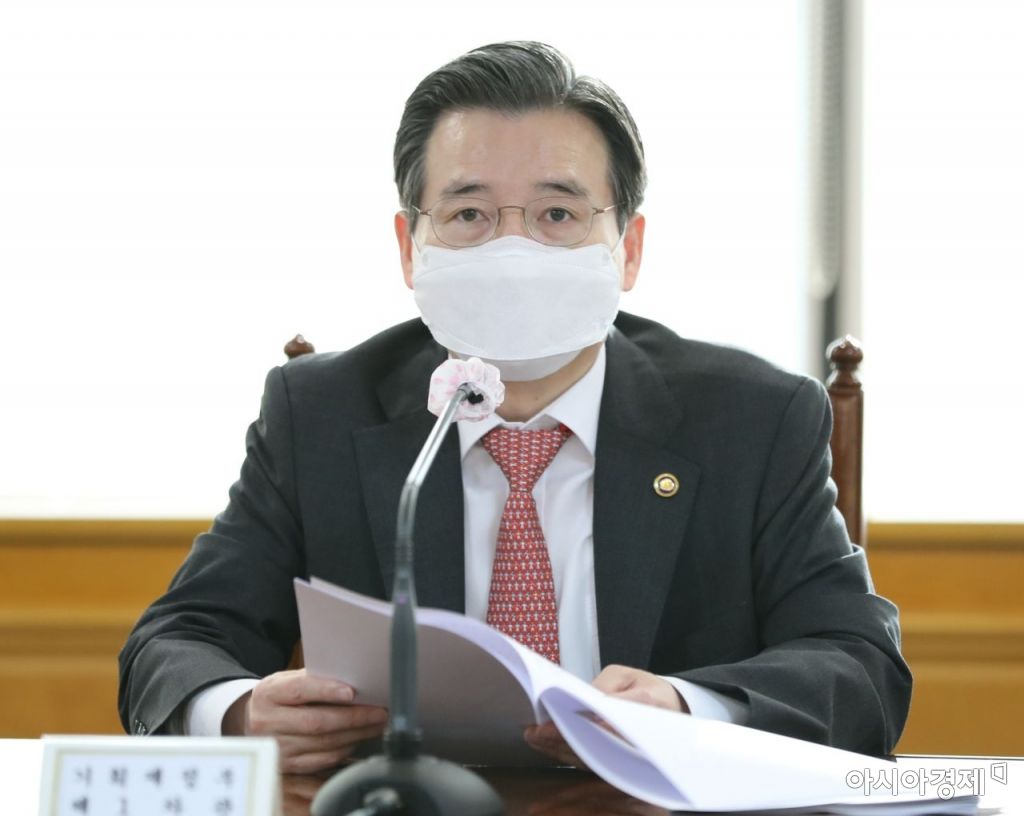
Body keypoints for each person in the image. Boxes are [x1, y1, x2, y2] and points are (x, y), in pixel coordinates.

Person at [118, 41, 911, 773]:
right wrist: (238, 713)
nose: (513, 249)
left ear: (628, 249)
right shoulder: (320, 413)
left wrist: (685, 710)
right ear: (409, 247)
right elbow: (175, 642)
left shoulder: (752, 420)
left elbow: (859, 666)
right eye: (469, 214)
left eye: (557, 214)